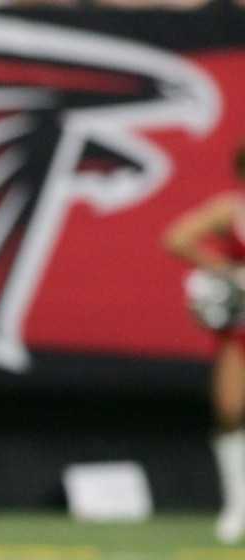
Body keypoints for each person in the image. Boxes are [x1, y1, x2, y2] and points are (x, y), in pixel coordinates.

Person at [163, 142, 245, 544]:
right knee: (230, 411)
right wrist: (227, 269)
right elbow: (177, 238)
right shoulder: (232, 210)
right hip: (242, 331)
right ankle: (238, 505)